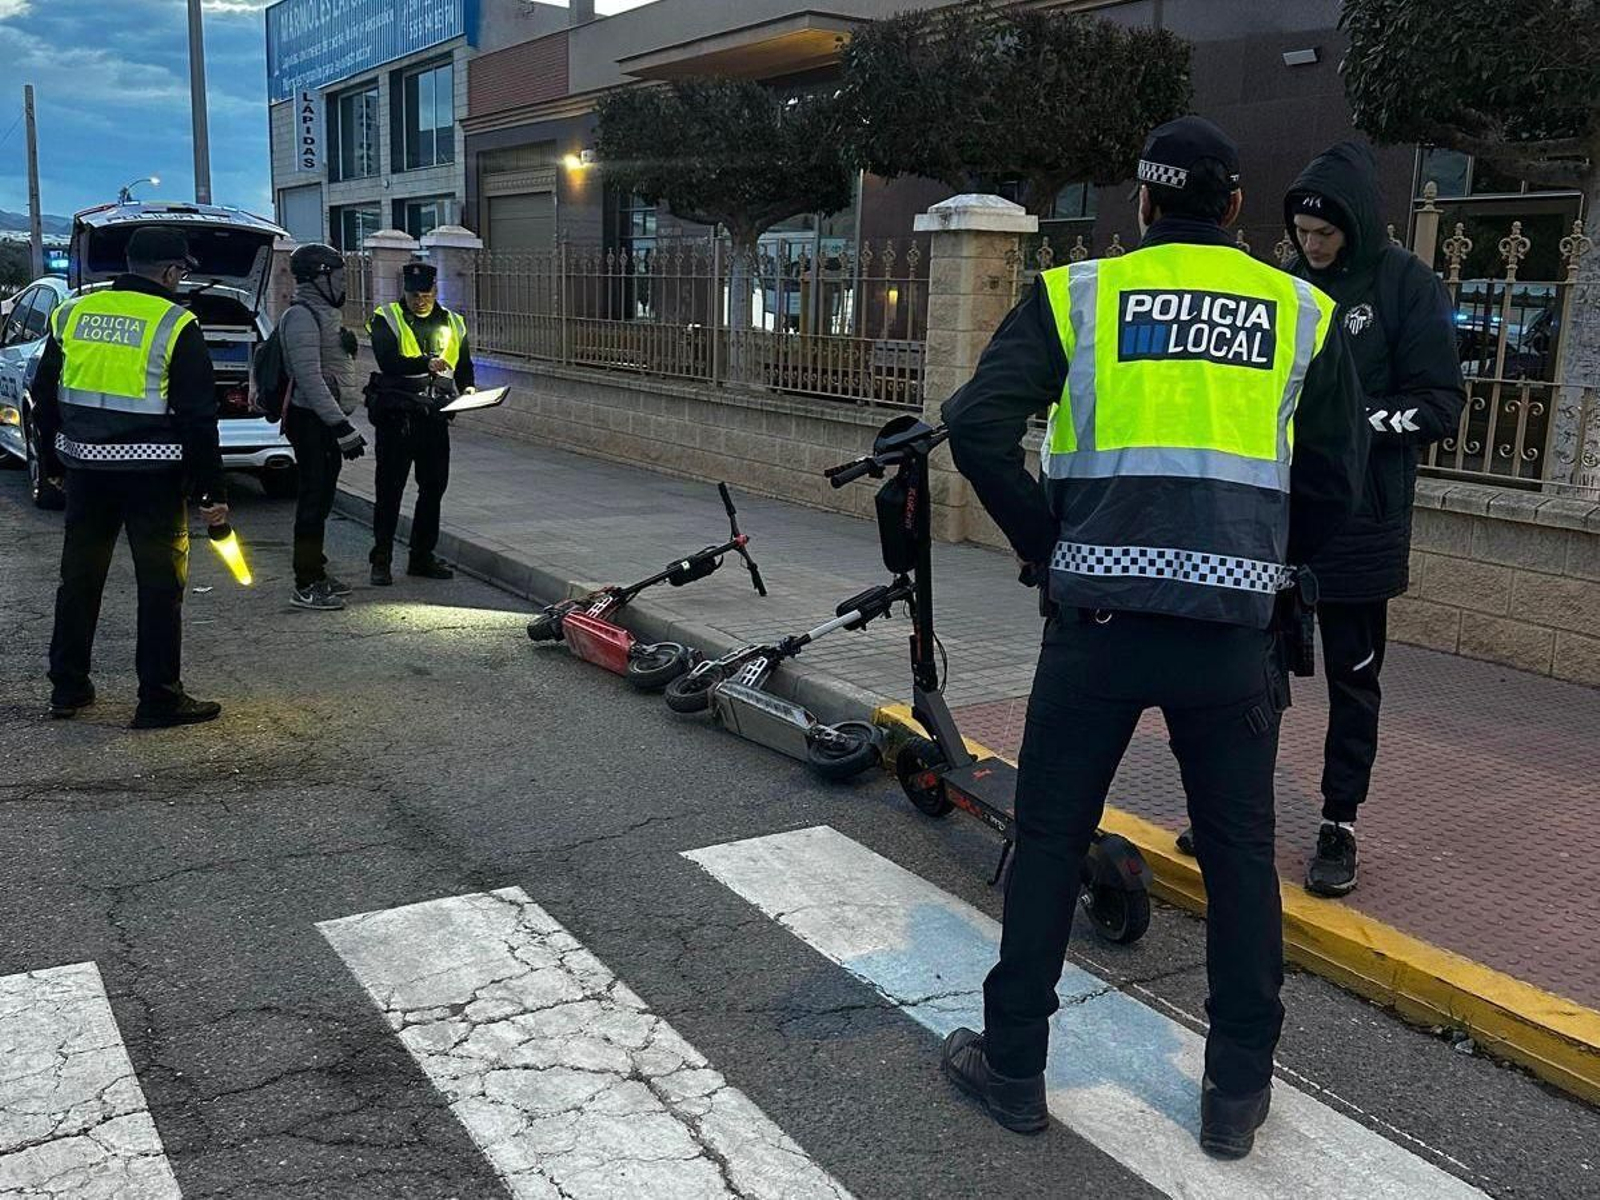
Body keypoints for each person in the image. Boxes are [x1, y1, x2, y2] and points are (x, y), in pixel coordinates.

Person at [937, 117, 1365, 1159]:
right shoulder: (1302, 313)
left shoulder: (1079, 295)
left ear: (1142, 203)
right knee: (1237, 857)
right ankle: (1231, 1097)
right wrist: (1266, 565)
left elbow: (976, 427)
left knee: (1046, 841)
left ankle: (1015, 1069)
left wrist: (1050, 540)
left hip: (1095, 624)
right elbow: (1336, 484)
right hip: (1229, 635)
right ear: (1230, 208)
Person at [1279, 142, 1467, 896]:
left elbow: (1440, 405)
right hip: (1285, 518)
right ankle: (1234, 803)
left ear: (1353, 225)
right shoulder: (1290, 289)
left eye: (1324, 235)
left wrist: (1349, 423)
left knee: (1353, 681)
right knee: (1254, 671)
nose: (1312, 246)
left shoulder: (1405, 286)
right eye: (1301, 233)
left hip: (1364, 522)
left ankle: (1339, 820)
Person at [35, 227, 231, 728]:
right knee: (160, 587)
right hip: (153, 477)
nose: (181, 281)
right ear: (169, 272)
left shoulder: (73, 313)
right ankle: (159, 697)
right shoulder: (175, 322)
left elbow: (45, 397)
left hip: (85, 472)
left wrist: (53, 465)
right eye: (181, 272)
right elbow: (197, 416)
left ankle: (68, 689)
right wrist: (212, 489)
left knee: (79, 579)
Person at [365, 260, 474, 586]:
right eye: (414, 296)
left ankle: (421, 557)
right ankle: (381, 560)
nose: (420, 301)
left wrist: (468, 389)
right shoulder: (387, 318)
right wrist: (425, 362)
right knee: (389, 491)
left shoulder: (453, 321)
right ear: (405, 293)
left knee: (433, 489)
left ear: (435, 290)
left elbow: (464, 363)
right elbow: (388, 360)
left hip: (435, 418)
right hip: (398, 418)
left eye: (425, 295)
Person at [277, 243, 366, 612]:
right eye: (339, 276)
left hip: (325, 423)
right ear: (319, 277)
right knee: (313, 501)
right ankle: (306, 583)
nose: (344, 283)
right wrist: (341, 426)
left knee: (323, 498)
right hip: (310, 421)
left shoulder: (325, 312)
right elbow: (310, 379)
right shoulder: (301, 316)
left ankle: (317, 571)